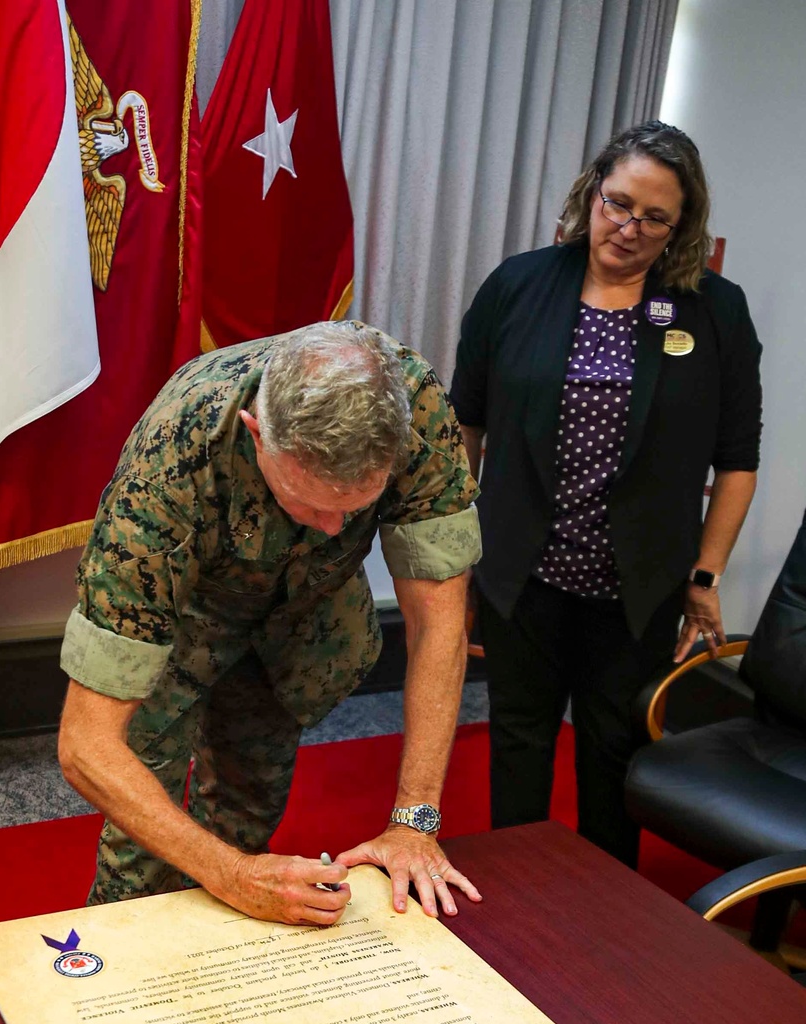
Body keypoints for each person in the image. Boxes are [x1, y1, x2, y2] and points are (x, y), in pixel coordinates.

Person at [58, 321, 483, 926]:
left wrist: (414, 819)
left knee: (248, 812)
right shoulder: (172, 463)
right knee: (141, 857)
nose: (335, 529)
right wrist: (228, 874)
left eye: (355, 507)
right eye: (310, 504)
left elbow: (439, 622)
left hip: (302, 627)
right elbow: (85, 745)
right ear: (259, 435)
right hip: (180, 628)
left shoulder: (412, 406)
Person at [449, 120, 762, 868]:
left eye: (655, 217)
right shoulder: (518, 285)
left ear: (681, 226)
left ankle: (603, 902)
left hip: (639, 583)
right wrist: (455, 552)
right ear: (591, 192)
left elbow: (739, 460)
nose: (629, 228)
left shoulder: (713, 309)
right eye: (617, 204)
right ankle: (513, 884)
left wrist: (706, 577)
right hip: (521, 570)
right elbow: (466, 426)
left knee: (613, 746)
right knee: (519, 736)